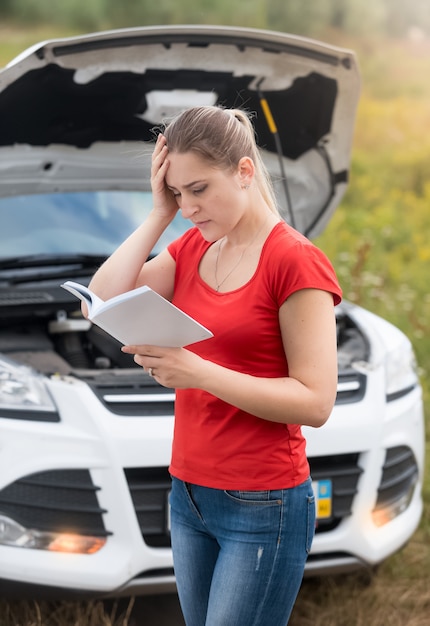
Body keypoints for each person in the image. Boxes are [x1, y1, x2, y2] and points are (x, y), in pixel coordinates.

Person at [87, 105, 342, 625]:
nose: (188, 207)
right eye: (178, 194)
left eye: (199, 190)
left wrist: (198, 372)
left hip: (263, 503)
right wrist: (157, 213)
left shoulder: (295, 261)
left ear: (244, 172)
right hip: (188, 495)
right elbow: (101, 301)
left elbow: (316, 402)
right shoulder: (193, 246)